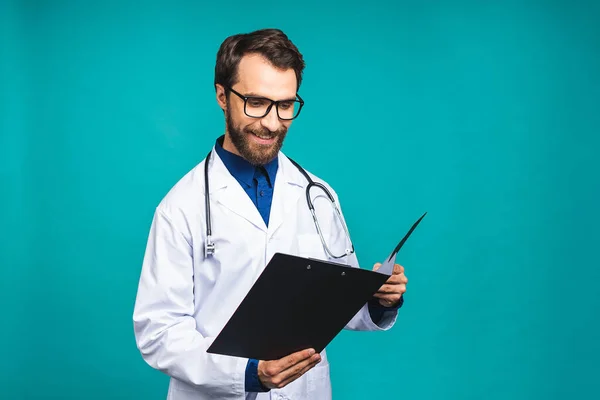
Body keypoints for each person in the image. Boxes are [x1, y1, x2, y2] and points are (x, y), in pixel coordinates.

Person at [132, 28, 408, 400]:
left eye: (285, 105)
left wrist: (375, 297)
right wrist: (248, 373)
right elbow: (159, 332)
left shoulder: (319, 195)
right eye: (257, 103)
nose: (273, 122)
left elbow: (334, 306)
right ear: (222, 96)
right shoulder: (180, 207)